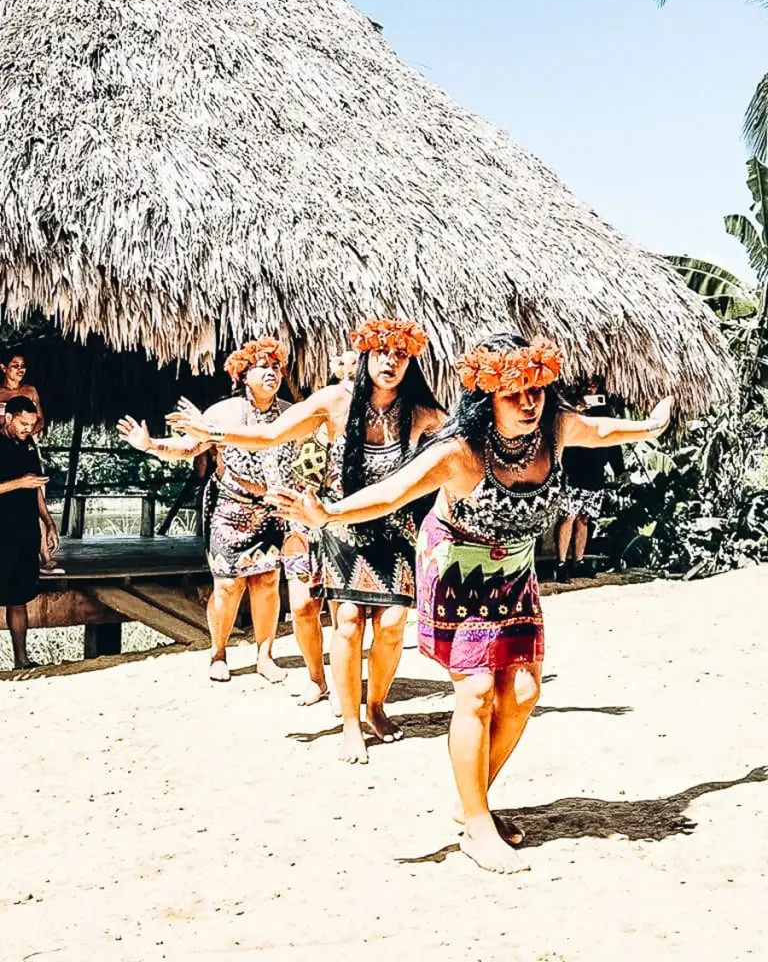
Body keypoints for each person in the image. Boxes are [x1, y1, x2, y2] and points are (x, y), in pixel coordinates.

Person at [267, 332, 672, 873]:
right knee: (478, 693)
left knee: (524, 693)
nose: (530, 403)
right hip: (456, 573)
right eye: (513, 394)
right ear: (487, 398)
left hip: (515, 575)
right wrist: (329, 515)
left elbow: (600, 430)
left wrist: (650, 425)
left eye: (536, 390)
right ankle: (478, 828)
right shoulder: (460, 450)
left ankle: (472, 801)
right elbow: (392, 494)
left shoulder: (554, 426)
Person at [169, 318, 445, 763]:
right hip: (337, 522)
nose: (390, 363)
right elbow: (272, 434)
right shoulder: (336, 400)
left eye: (400, 356)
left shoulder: (421, 413)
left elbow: (463, 449)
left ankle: (376, 705)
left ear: (411, 363)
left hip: (393, 528)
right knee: (349, 620)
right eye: (382, 354)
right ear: (367, 358)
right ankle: (350, 722)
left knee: (392, 626)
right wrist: (212, 434)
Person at [117, 337, 327, 700]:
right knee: (228, 586)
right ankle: (218, 652)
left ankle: (265, 655)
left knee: (266, 582)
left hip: (273, 510)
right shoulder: (222, 413)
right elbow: (189, 448)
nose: (271, 373)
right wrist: (150, 445)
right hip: (230, 507)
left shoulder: (292, 412)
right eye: (263, 367)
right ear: (244, 375)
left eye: (276, 367)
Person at [0, 396, 60, 669]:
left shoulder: (28, 446)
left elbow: (36, 489)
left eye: (32, 424)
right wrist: (18, 483)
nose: (28, 429)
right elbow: (23, 483)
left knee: (19, 598)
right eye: (24, 423)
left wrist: (48, 522)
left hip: (24, 533)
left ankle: (21, 660)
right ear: (8, 417)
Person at [554, 377, 625, 582]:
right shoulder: (569, 409)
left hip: (595, 473)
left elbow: (614, 442)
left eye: (595, 384)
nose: (591, 388)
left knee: (584, 518)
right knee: (568, 516)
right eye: (588, 384)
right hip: (573, 471)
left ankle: (578, 561)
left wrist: (619, 469)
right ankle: (560, 564)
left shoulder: (604, 411)